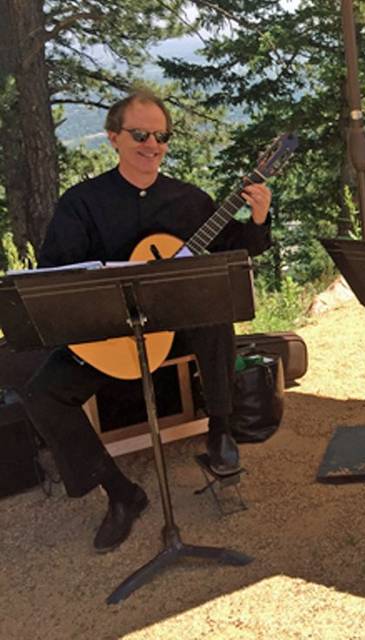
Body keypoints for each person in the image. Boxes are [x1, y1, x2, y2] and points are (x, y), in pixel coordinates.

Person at [20, 90, 273, 552]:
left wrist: (258, 216)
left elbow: (239, 248)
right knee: (41, 393)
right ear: (113, 137)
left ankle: (220, 430)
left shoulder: (190, 200)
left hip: (174, 334)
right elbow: (59, 273)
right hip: (110, 338)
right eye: (140, 134)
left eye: (161, 136)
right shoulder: (82, 203)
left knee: (214, 311)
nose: (151, 144)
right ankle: (121, 493)